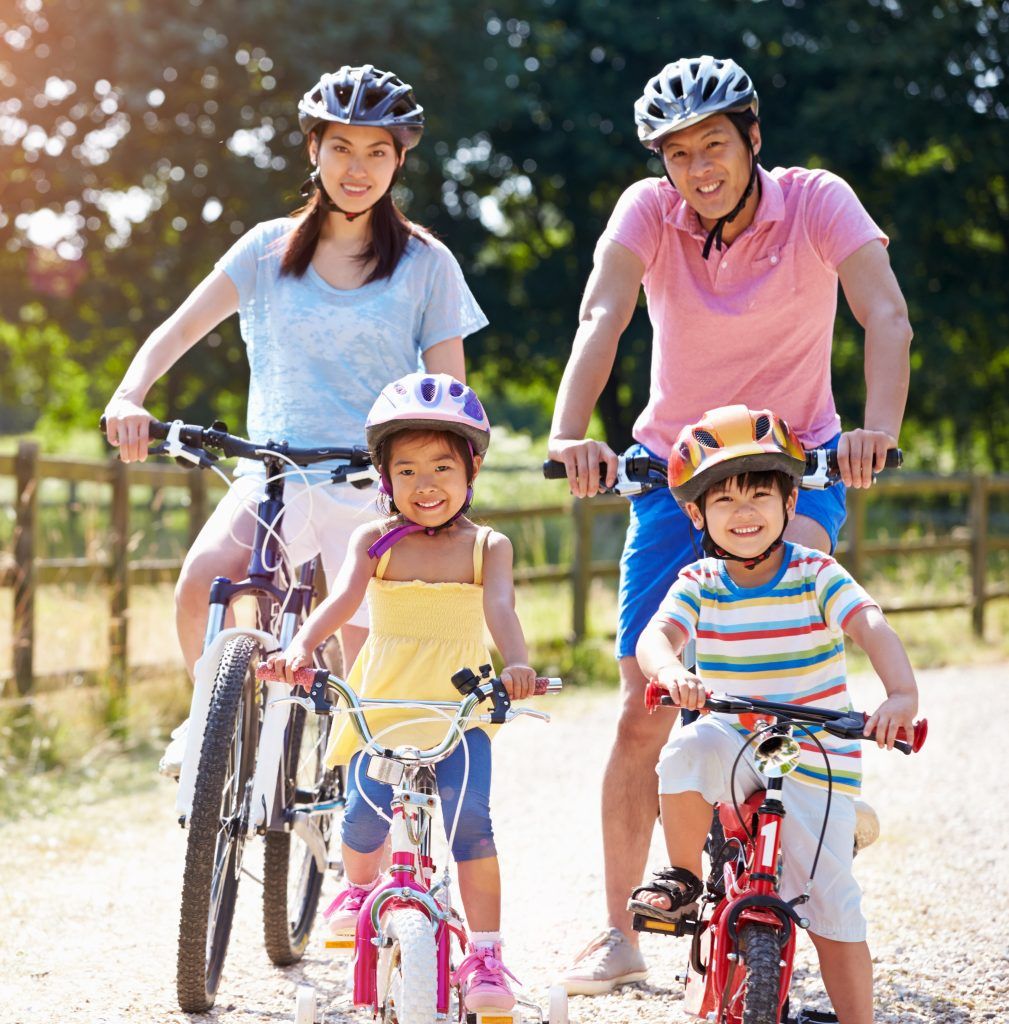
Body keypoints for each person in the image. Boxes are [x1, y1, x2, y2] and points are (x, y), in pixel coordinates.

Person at [549, 55, 913, 993]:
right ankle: (625, 931)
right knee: (644, 703)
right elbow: (603, 312)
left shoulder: (816, 201)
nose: (697, 168)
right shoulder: (646, 212)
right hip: (675, 472)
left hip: (795, 464)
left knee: (798, 618)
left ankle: (818, 805)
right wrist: (566, 433)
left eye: (714, 144)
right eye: (677, 154)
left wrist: (878, 430)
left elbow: (884, 315)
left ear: (752, 138)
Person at [101, 65, 487, 773]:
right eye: (341, 147)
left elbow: (447, 395)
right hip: (273, 474)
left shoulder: (427, 264)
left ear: (400, 158)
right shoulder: (265, 249)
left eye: (377, 151)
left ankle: (361, 833)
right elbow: (176, 332)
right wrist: (131, 395)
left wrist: (441, 482)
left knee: (371, 694)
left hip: (375, 487)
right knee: (201, 583)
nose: (357, 168)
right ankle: (208, 726)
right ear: (313, 149)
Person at [630, 404, 919, 1024]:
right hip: (736, 739)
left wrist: (899, 697)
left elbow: (871, 626)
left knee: (831, 904)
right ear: (695, 513)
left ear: (791, 504)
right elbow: (655, 638)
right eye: (725, 499)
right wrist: (672, 672)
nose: (744, 512)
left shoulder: (816, 571)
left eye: (761, 494)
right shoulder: (700, 579)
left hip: (815, 754)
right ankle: (682, 876)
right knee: (683, 751)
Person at [263, 372, 534, 1013]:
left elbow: (502, 612)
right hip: (382, 708)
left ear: (471, 470)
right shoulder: (374, 542)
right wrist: (301, 648)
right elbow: (342, 602)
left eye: (442, 466)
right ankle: (360, 892)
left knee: (472, 826)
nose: (426, 484)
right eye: (406, 471)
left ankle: (487, 954)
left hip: (459, 713)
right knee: (360, 822)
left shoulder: (488, 547)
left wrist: (518, 665)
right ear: (385, 478)